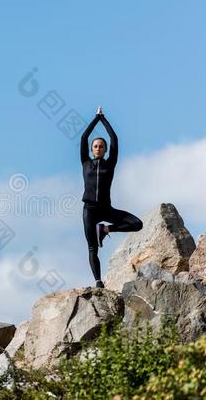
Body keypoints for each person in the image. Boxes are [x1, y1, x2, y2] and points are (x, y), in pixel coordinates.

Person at [80, 107, 143, 289]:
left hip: (106, 208)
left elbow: (114, 139)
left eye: (101, 146)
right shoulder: (86, 163)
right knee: (93, 248)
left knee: (137, 224)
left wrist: (104, 119)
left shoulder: (110, 164)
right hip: (89, 210)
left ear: (106, 150)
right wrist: (95, 118)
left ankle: (106, 229)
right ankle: (98, 281)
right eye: (96, 146)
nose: (98, 148)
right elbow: (84, 138)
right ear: (92, 150)